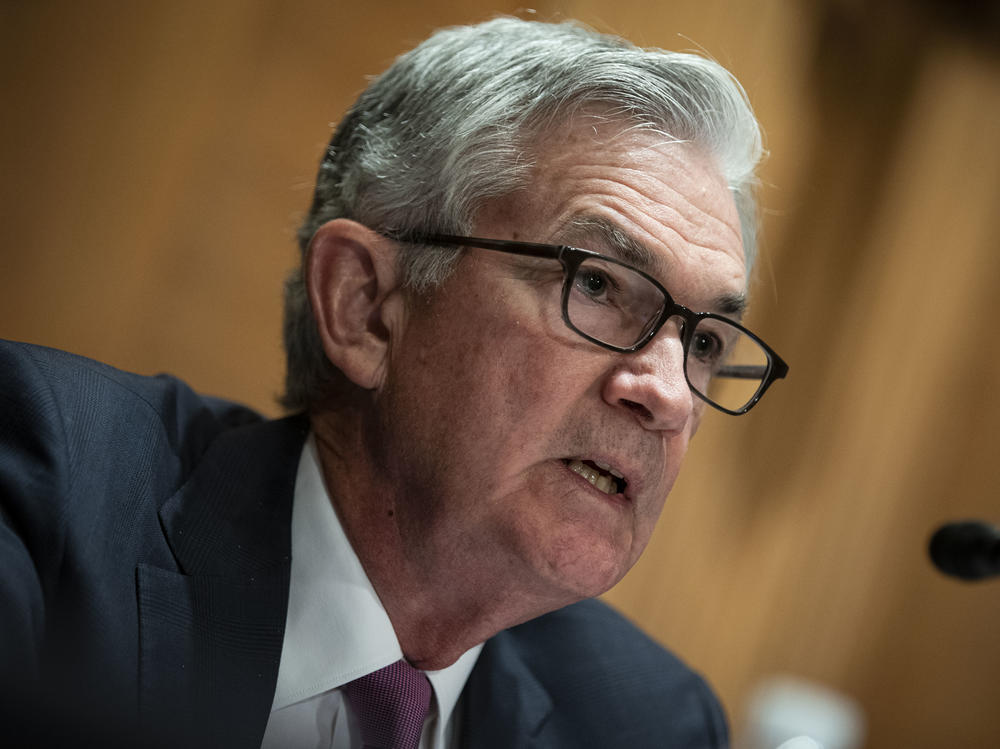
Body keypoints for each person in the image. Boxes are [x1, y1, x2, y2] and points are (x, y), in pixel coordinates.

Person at [0, 16, 788, 749]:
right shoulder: (50, 490)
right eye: (599, 286)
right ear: (367, 306)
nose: (669, 394)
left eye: (707, 341)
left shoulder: (647, 722)